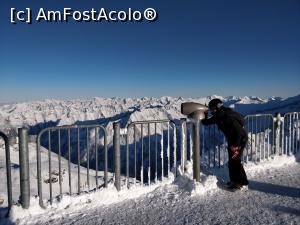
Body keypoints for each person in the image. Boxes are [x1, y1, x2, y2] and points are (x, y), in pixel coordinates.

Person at [202, 98, 249, 190]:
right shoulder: (218, 115)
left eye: (212, 109)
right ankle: (234, 181)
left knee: (235, 161)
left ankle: (242, 183)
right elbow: (206, 122)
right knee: (232, 162)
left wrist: (235, 146)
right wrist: (205, 114)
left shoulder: (227, 116)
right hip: (233, 140)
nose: (211, 111)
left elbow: (239, 132)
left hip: (239, 140)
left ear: (217, 107)